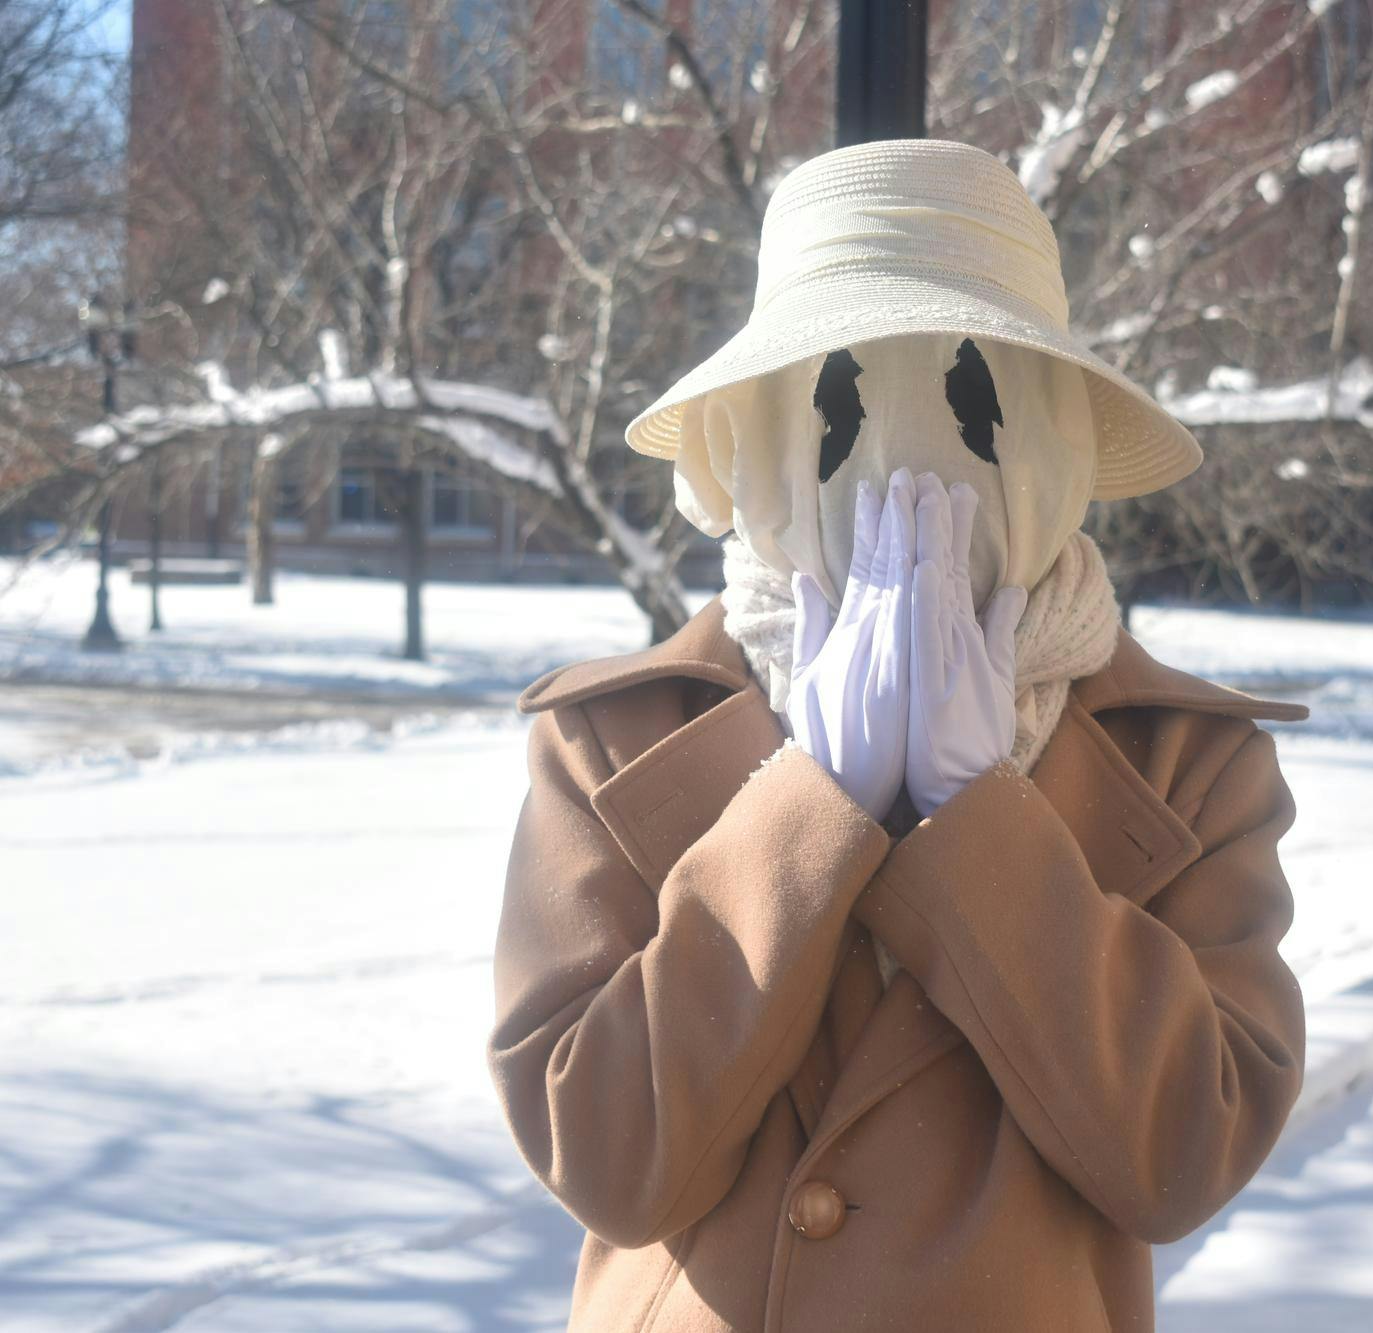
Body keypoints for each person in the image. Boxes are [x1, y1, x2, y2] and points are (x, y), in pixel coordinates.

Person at [488, 138, 1310, 1333]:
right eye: (833, 411)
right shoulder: (612, 739)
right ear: (737, 446)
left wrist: (984, 823)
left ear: (1060, 441)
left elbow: (1182, 1152)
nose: (899, 468)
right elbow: (606, 1155)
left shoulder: (1190, 768)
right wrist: (806, 802)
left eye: (977, 412)